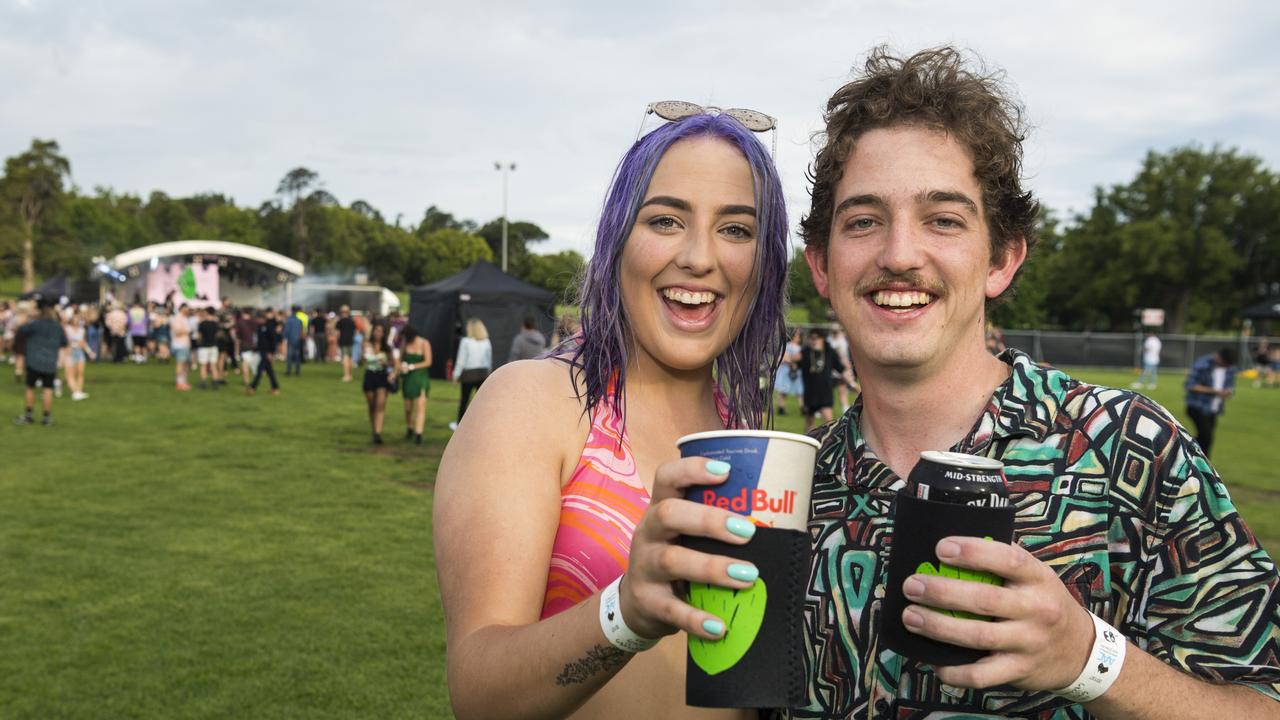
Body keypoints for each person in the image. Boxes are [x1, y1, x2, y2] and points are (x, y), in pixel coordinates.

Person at [770, 46, 1280, 718]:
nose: (898, 254)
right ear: (820, 264)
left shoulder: (1133, 448)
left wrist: (1090, 660)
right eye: (863, 221)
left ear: (1002, 259)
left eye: (943, 220)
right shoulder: (787, 488)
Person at [433, 107, 790, 719]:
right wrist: (624, 611)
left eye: (736, 229)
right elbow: (479, 695)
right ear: (617, 239)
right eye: (666, 220)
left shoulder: (748, 438)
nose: (699, 257)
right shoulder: (533, 404)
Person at [14, 300, 66, 425]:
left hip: (34, 361)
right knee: (48, 389)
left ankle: (28, 415)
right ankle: (46, 417)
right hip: (50, 363)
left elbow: (21, 330)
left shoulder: (35, 324)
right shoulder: (57, 327)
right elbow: (64, 343)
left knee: (30, 388)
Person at [1183, 347, 1238, 458]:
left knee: (1205, 437)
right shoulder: (1203, 364)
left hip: (1214, 408)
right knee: (1207, 437)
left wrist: (1228, 392)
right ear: (1219, 357)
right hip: (1197, 406)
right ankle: (1204, 464)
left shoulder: (1230, 368)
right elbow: (1190, 385)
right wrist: (1215, 391)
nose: (1225, 366)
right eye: (1224, 363)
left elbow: (1230, 386)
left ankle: (1186, 453)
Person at [448, 318, 492, 432]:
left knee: (464, 400)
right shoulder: (486, 341)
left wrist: (455, 375)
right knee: (481, 401)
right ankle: (482, 423)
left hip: (469, 374)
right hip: (482, 373)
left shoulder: (466, 341)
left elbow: (461, 360)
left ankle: (459, 425)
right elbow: (489, 360)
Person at [798, 328, 845, 431]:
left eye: (816, 338)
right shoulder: (805, 352)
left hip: (825, 391)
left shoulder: (829, 352)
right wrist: (792, 361)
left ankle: (829, 444)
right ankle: (808, 443)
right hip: (810, 391)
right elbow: (796, 365)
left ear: (822, 339)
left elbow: (840, 368)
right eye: (811, 338)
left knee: (828, 421)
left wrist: (848, 374)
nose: (813, 341)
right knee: (809, 422)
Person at [361, 321, 397, 444]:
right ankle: (374, 428)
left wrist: (386, 363)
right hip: (370, 375)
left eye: (381, 331)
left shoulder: (387, 347)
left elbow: (393, 362)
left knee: (380, 404)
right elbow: (362, 360)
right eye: (376, 330)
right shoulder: (367, 344)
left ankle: (378, 432)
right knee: (372, 405)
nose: (378, 333)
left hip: (382, 376)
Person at [399, 324, 432, 445]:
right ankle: (410, 427)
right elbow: (401, 359)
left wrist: (413, 366)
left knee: (420, 405)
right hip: (408, 378)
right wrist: (402, 366)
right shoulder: (405, 344)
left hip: (421, 377)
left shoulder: (424, 343)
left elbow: (428, 362)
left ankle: (419, 433)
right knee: (408, 408)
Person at [63, 308, 95, 400]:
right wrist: (75, 344)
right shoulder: (67, 329)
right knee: (70, 374)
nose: (76, 320)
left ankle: (78, 391)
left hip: (79, 352)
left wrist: (89, 352)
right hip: (69, 352)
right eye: (75, 319)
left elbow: (83, 342)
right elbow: (66, 341)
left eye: (78, 319)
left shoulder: (82, 330)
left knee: (80, 373)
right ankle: (74, 391)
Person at [246, 310, 280, 396]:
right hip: (262, 351)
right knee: (269, 371)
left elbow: (273, 340)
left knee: (259, 370)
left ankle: (253, 387)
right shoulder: (260, 326)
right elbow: (260, 340)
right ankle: (275, 388)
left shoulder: (269, 326)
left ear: (262, 318)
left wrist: (271, 352)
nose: (256, 320)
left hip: (267, 351)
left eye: (258, 318)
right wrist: (256, 349)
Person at [826, 324, 857, 413]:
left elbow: (845, 355)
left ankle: (846, 410)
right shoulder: (829, 340)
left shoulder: (843, 340)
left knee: (844, 389)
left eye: (836, 330)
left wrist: (848, 366)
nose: (834, 332)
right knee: (827, 390)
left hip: (842, 368)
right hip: (832, 369)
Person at [774, 328, 805, 415]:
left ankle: (802, 408)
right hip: (786, 371)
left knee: (800, 390)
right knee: (784, 390)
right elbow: (783, 358)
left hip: (796, 371)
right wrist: (792, 361)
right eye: (797, 335)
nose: (798, 337)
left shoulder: (800, 348)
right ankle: (781, 408)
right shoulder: (788, 346)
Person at [195, 307, 221, 390]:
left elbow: (199, 336)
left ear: (206, 312)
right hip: (213, 346)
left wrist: (199, 342)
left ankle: (203, 383)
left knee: (203, 365)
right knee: (213, 365)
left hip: (204, 346)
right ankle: (215, 382)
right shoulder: (216, 323)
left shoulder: (202, 323)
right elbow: (217, 334)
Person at [169, 305, 193, 391]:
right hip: (180, 344)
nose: (188, 311)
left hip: (185, 344)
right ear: (182, 309)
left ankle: (183, 381)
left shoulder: (184, 318)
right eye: (187, 309)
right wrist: (188, 331)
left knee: (185, 364)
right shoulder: (178, 318)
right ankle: (179, 382)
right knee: (181, 363)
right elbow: (177, 331)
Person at [336, 305, 356, 382]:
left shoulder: (340, 321)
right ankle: (350, 375)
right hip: (350, 341)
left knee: (345, 358)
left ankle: (346, 375)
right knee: (350, 358)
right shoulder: (352, 321)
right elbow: (354, 331)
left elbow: (337, 333)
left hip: (343, 341)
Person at [283, 306, 304, 376]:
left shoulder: (289, 320)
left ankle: (288, 370)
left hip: (291, 339)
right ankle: (297, 371)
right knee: (297, 355)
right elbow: (301, 330)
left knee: (289, 356)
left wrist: (284, 337)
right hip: (298, 339)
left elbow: (286, 330)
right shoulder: (299, 320)